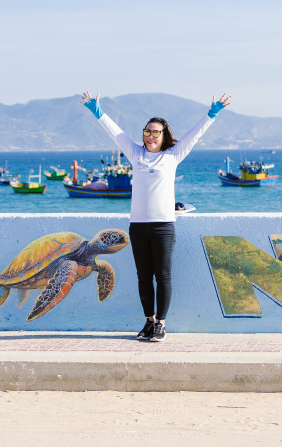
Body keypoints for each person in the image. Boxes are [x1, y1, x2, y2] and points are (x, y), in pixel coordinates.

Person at [79, 90, 230, 342]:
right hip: (138, 227)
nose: (150, 136)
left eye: (155, 132)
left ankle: (161, 324)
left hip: (163, 227)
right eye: (147, 131)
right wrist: (97, 111)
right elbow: (115, 133)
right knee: (143, 277)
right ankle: (148, 321)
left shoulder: (172, 156)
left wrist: (212, 114)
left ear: (164, 135)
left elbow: (194, 136)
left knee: (163, 276)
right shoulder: (135, 154)